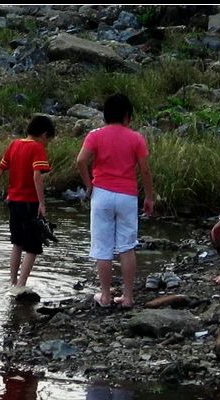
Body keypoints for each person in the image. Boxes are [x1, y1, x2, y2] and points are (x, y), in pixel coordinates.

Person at [76, 93, 154, 308]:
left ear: (105, 115)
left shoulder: (95, 135)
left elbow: (81, 160)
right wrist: (148, 197)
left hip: (101, 194)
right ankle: (128, 297)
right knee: (127, 246)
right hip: (127, 195)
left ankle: (106, 296)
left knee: (103, 247)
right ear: (127, 116)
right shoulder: (136, 138)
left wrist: (89, 183)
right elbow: (145, 171)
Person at [0, 115, 55, 289]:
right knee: (33, 246)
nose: (47, 144)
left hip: (13, 202)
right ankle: (21, 286)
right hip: (29, 203)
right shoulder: (37, 148)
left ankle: (13, 282)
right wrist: (42, 203)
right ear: (44, 134)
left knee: (17, 243)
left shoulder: (14, 144)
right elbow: (37, 176)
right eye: (49, 140)